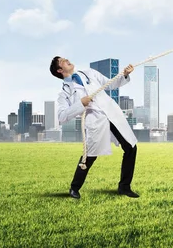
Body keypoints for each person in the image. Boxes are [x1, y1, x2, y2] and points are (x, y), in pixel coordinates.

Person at [50, 56, 139, 199]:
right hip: (95, 121)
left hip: (112, 114)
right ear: (60, 70)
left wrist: (125, 74)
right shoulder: (64, 93)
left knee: (131, 147)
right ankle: (74, 188)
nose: (67, 59)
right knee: (89, 157)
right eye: (62, 61)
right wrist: (81, 103)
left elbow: (110, 84)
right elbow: (62, 116)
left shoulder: (89, 73)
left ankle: (124, 187)